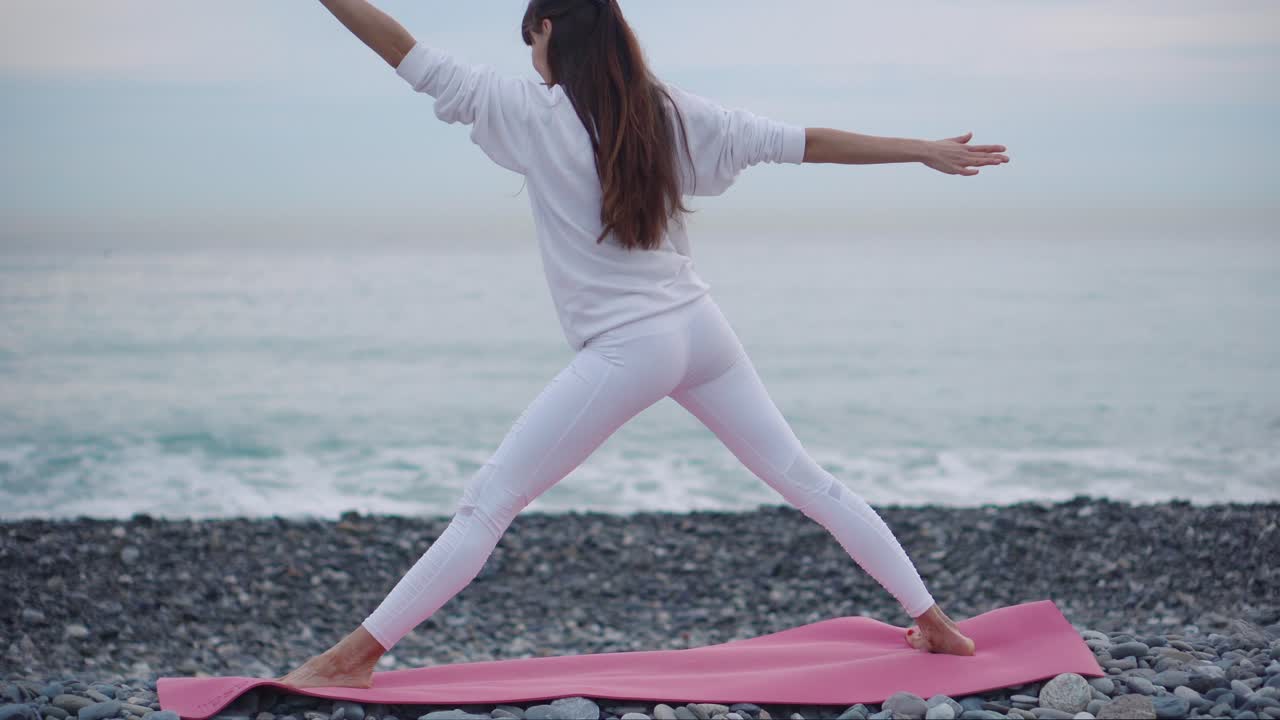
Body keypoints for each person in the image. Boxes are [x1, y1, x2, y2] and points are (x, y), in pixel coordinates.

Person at [280, 0, 1008, 689]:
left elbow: (400, 48)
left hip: (630, 348)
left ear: (543, 32)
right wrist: (919, 149)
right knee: (807, 481)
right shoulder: (673, 112)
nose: (528, 57)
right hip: (700, 329)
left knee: (487, 506)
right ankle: (936, 623)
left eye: (527, 41)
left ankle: (353, 657)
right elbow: (803, 143)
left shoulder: (528, 111)